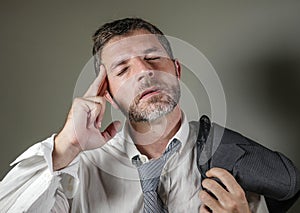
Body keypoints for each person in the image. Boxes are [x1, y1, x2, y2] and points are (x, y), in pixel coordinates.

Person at [0, 17, 299, 213]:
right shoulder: (77, 172)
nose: (144, 72)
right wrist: (65, 147)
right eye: (123, 69)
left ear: (177, 71)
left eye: (153, 58)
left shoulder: (236, 164)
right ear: (107, 93)